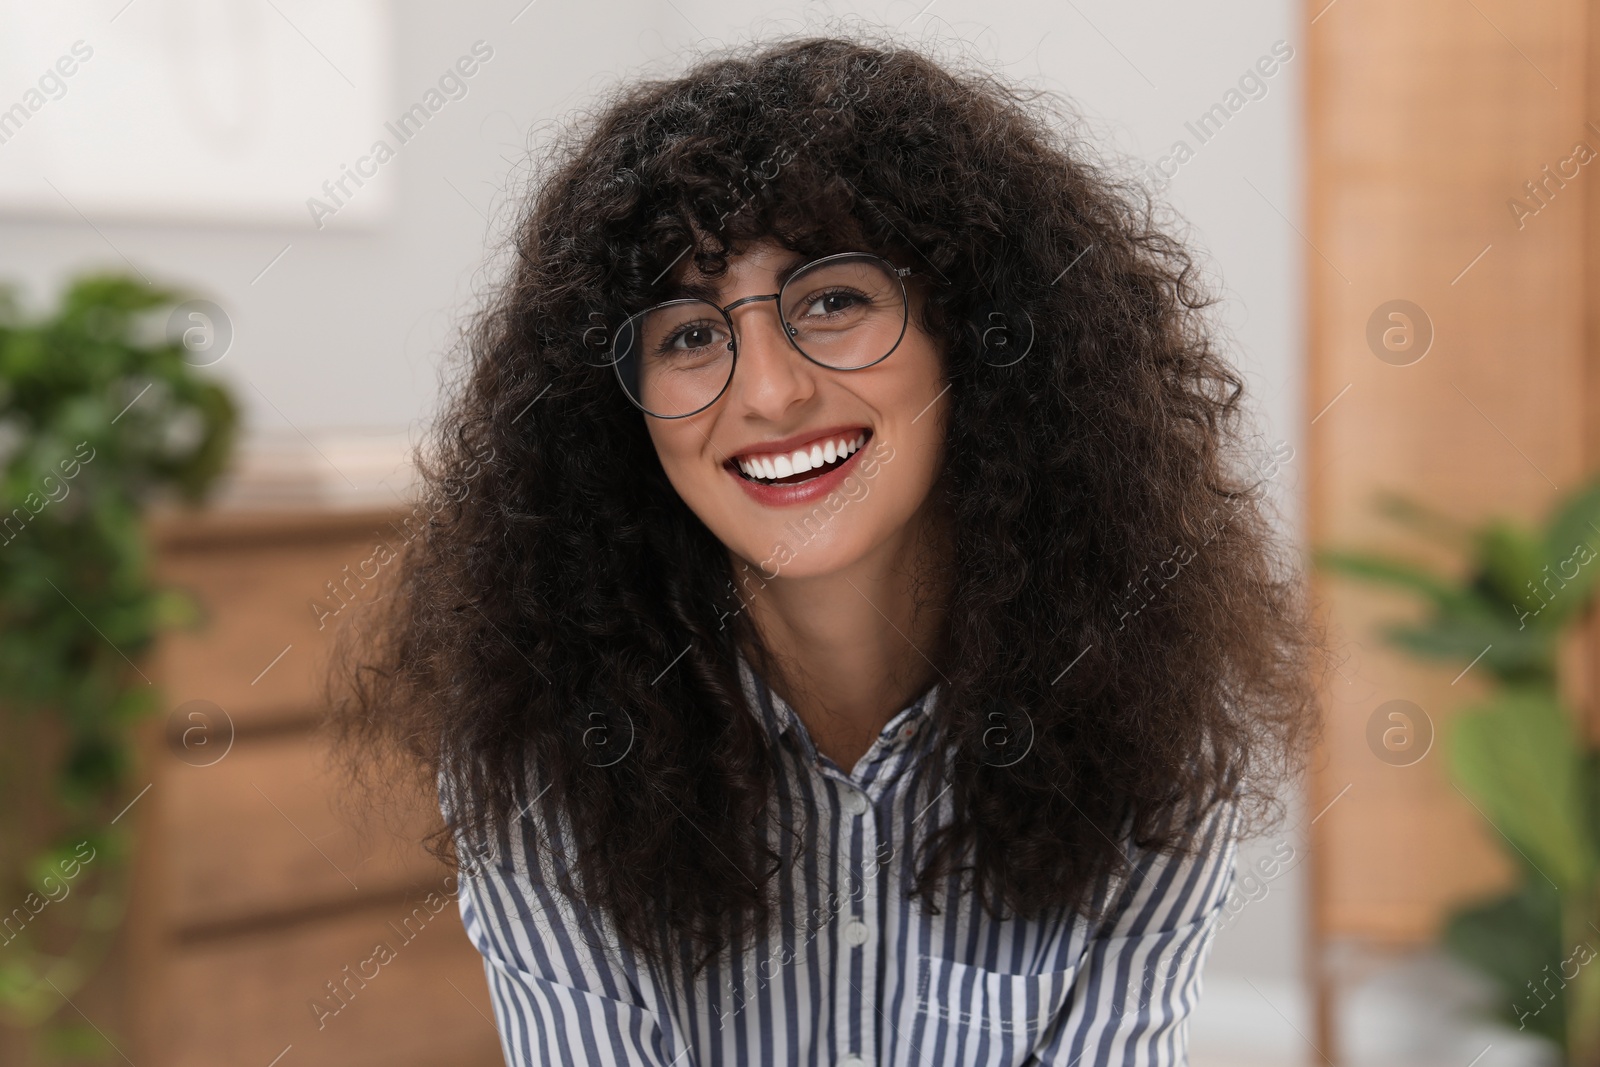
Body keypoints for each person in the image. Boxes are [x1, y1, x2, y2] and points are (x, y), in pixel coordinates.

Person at [333, 31, 1324, 1067]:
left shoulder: (1149, 720)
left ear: (978, 336)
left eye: (832, 300)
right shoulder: (550, 746)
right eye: (687, 334)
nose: (767, 390)